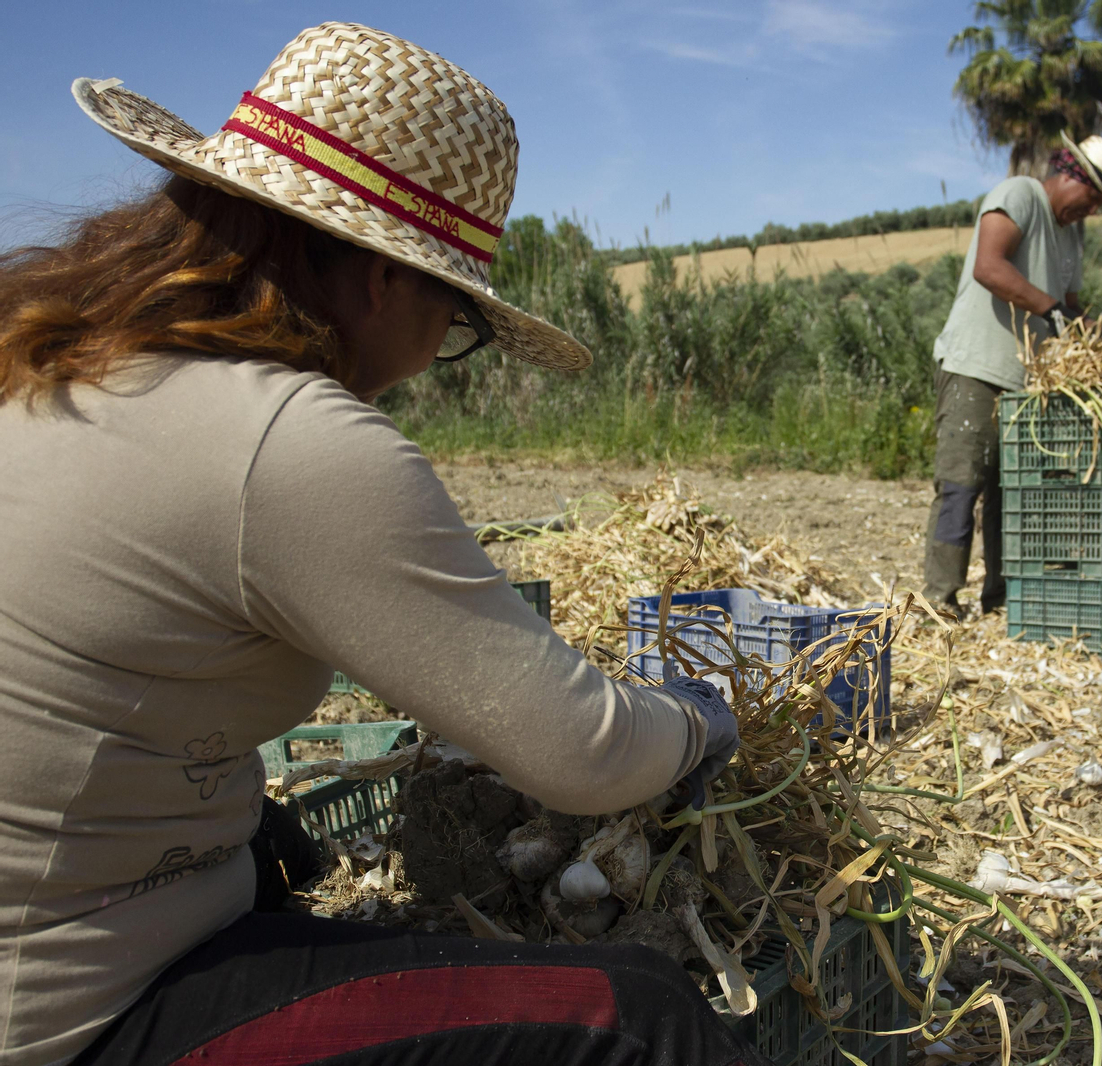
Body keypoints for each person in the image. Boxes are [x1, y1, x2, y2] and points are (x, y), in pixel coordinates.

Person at [0, 24, 761, 1066]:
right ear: (382, 279)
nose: (440, 350)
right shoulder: (283, 438)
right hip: (64, 1014)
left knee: (276, 848)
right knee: (641, 1017)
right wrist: (698, 720)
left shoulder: (69, 361)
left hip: (63, 919)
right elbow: (582, 753)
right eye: (458, 315)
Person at [921, 134, 1102, 617]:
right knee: (961, 482)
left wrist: (1097, 339)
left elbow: (1070, 306)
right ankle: (939, 598)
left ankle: (1001, 597)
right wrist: (1050, 310)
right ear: (1069, 174)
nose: (1093, 210)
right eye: (1093, 196)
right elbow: (988, 267)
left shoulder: (1073, 233)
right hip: (976, 365)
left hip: (1025, 380)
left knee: (1009, 492)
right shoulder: (1019, 195)